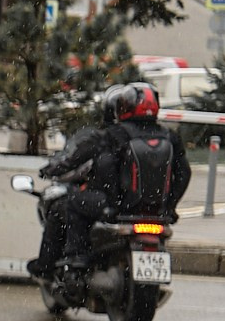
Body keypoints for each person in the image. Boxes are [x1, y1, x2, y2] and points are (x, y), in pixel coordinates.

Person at [29, 82, 190, 278]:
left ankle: (75, 260)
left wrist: (51, 169)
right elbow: (184, 173)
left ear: (125, 107)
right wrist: (170, 206)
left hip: (116, 208)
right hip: (156, 212)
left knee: (71, 202)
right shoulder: (169, 136)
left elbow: (78, 156)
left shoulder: (114, 134)